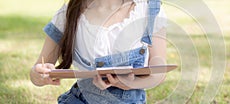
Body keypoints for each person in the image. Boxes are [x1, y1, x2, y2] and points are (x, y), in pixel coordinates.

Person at [30, 0, 167, 103]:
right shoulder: (68, 13)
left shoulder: (148, 10)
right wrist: (39, 74)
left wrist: (132, 83)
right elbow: (37, 72)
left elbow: (159, 73)